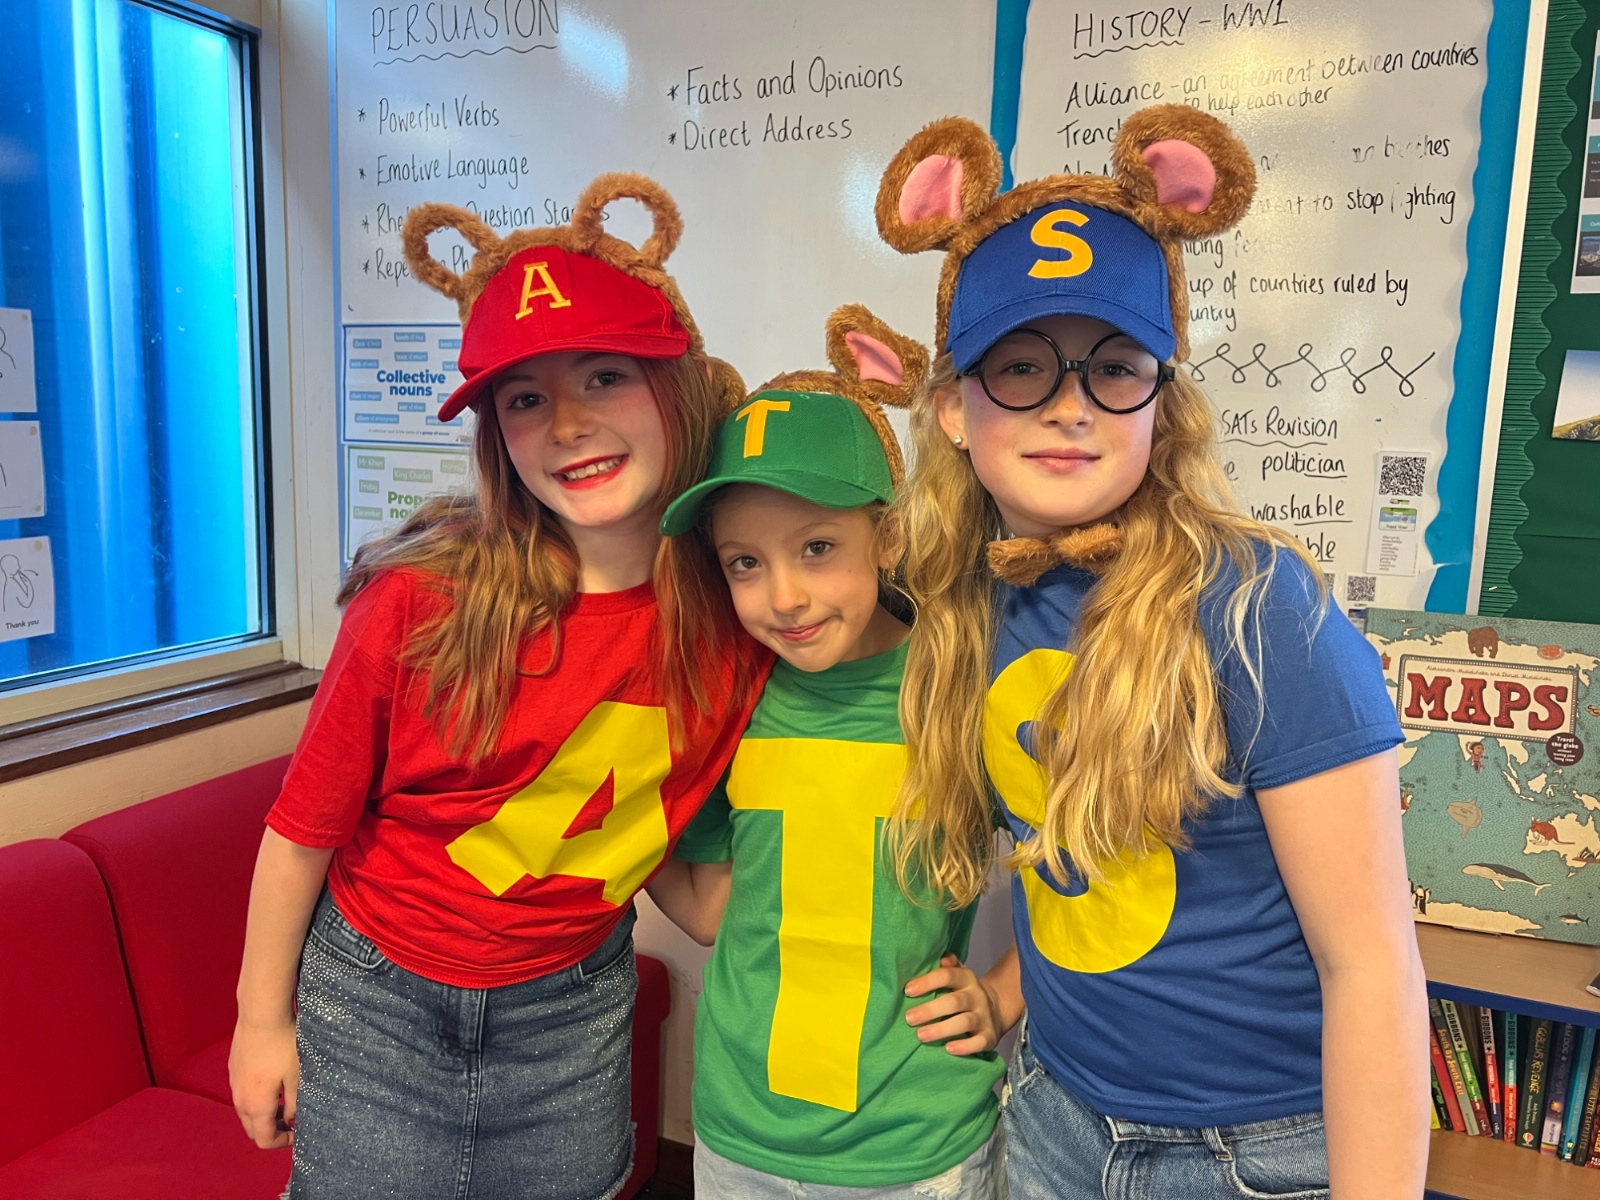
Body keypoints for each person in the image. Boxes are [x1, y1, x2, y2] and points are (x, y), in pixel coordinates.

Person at [873, 106, 1431, 1198]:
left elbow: (1370, 967)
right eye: (1020, 367)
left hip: (1253, 1157)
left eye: (1114, 368)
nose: (1071, 408)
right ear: (951, 409)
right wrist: (1004, 993)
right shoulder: (969, 595)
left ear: (1159, 406)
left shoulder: (1256, 606)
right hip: (1053, 1116)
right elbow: (1072, 865)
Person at [227, 175, 767, 1200]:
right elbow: (300, 831)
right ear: (494, 434)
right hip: (378, 997)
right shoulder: (421, 598)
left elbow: (652, 826)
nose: (567, 425)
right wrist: (261, 1020)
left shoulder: (741, 612)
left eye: (605, 375)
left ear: (680, 387)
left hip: (573, 1010)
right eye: (525, 399)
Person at [646, 305, 1006, 1200]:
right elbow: (715, 909)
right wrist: (621, 830)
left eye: (817, 548)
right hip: (739, 1138)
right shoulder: (730, 699)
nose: (786, 597)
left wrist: (1005, 993)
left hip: (916, 1148)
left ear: (887, 536)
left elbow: (1086, 864)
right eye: (745, 562)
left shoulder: (959, 685)